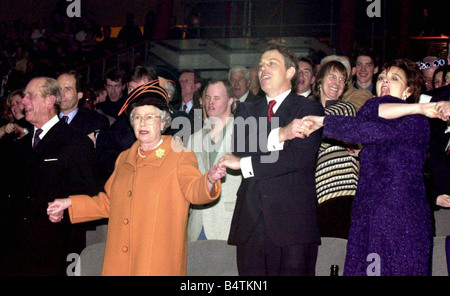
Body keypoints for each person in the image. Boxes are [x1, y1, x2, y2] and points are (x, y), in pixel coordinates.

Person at [47, 81, 225, 276]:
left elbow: (194, 190)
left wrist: (209, 179)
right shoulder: (124, 158)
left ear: (163, 122)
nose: (143, 123)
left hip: (157, 263)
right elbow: (109, 202)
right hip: (119, 262)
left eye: (150, 117)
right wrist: (70, 203)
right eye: (137, 118)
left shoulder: (179, 155)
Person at [287, 58, 435, 276]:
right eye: (382, 78)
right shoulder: (372, 113)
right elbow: (371, 124)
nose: (385, 81)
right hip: (368, 214)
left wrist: (323, 122)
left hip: (401, 218)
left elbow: (370, 129)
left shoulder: (416, 120)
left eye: (394, 79)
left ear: (408, 90)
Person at [217, 41, 324, 276]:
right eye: (261, 64)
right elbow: (242, 147)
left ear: (290, 71)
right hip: (251, 222)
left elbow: (297, 157)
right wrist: (282, 134)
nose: (263, 68)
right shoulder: (247, 109)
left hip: (292, 224)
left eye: (271, 63)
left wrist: (245, 163)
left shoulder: (309, 108)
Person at [7, 77, 99, 275]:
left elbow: (88, 196)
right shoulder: (17, 146)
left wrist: (63, 214)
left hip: (53, 250)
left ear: (50, 101)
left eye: (30, 96)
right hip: (15, 250)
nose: (23, 102)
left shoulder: (76, 143)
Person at [310, 60, 359, 239]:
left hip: (343, 192)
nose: (337, 83)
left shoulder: (346, 109)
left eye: (342, 80)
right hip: (315, 194)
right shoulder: (308, 109)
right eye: (332, 76)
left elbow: (323, 128)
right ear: (320, 80)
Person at [187, 79, 240, 242]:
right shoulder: (194, 139)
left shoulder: (243, 134)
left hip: (229, 224)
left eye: (217, 98)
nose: (210, 102)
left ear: (231, 100)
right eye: (208, 97)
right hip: (197, 225)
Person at [57, 70, 110, 139]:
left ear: (79, 95)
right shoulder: (46, 120)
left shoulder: (96, 122)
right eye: (58, 89)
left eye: (67, 89)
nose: (61, 94)